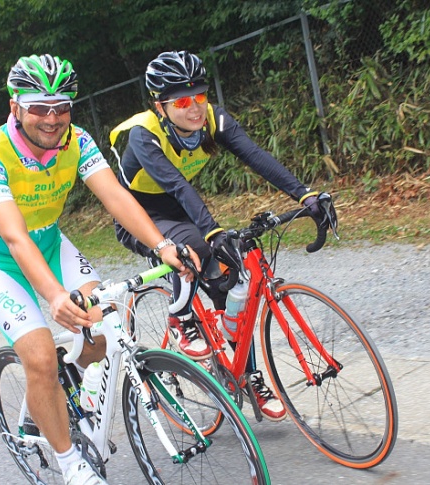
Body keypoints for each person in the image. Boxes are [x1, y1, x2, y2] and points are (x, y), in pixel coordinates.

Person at [0, 54, 196, 485]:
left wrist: (163, 246)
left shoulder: (77, 140)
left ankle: (77, 383)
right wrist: (53, 297)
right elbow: (13, 237)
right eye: (38, 107)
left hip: (48, 241)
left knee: (103, 331)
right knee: (40, 356)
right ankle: (70, 463)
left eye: (62, 106)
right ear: (15, 107)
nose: (52, 118)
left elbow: (117, 198)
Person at [110, 50, 334, 422]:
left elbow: (257, 157)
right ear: (160, 106)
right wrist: (212, 231)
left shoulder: (215, 120)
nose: (196, 107)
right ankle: (181, 319)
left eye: (200, 95)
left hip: (180, 210)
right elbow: (177, 186)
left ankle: (244, 373)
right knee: (194, 247)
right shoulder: (142, 135)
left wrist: (306, 195)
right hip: (140, 216)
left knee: (231, 284)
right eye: (183, 101)